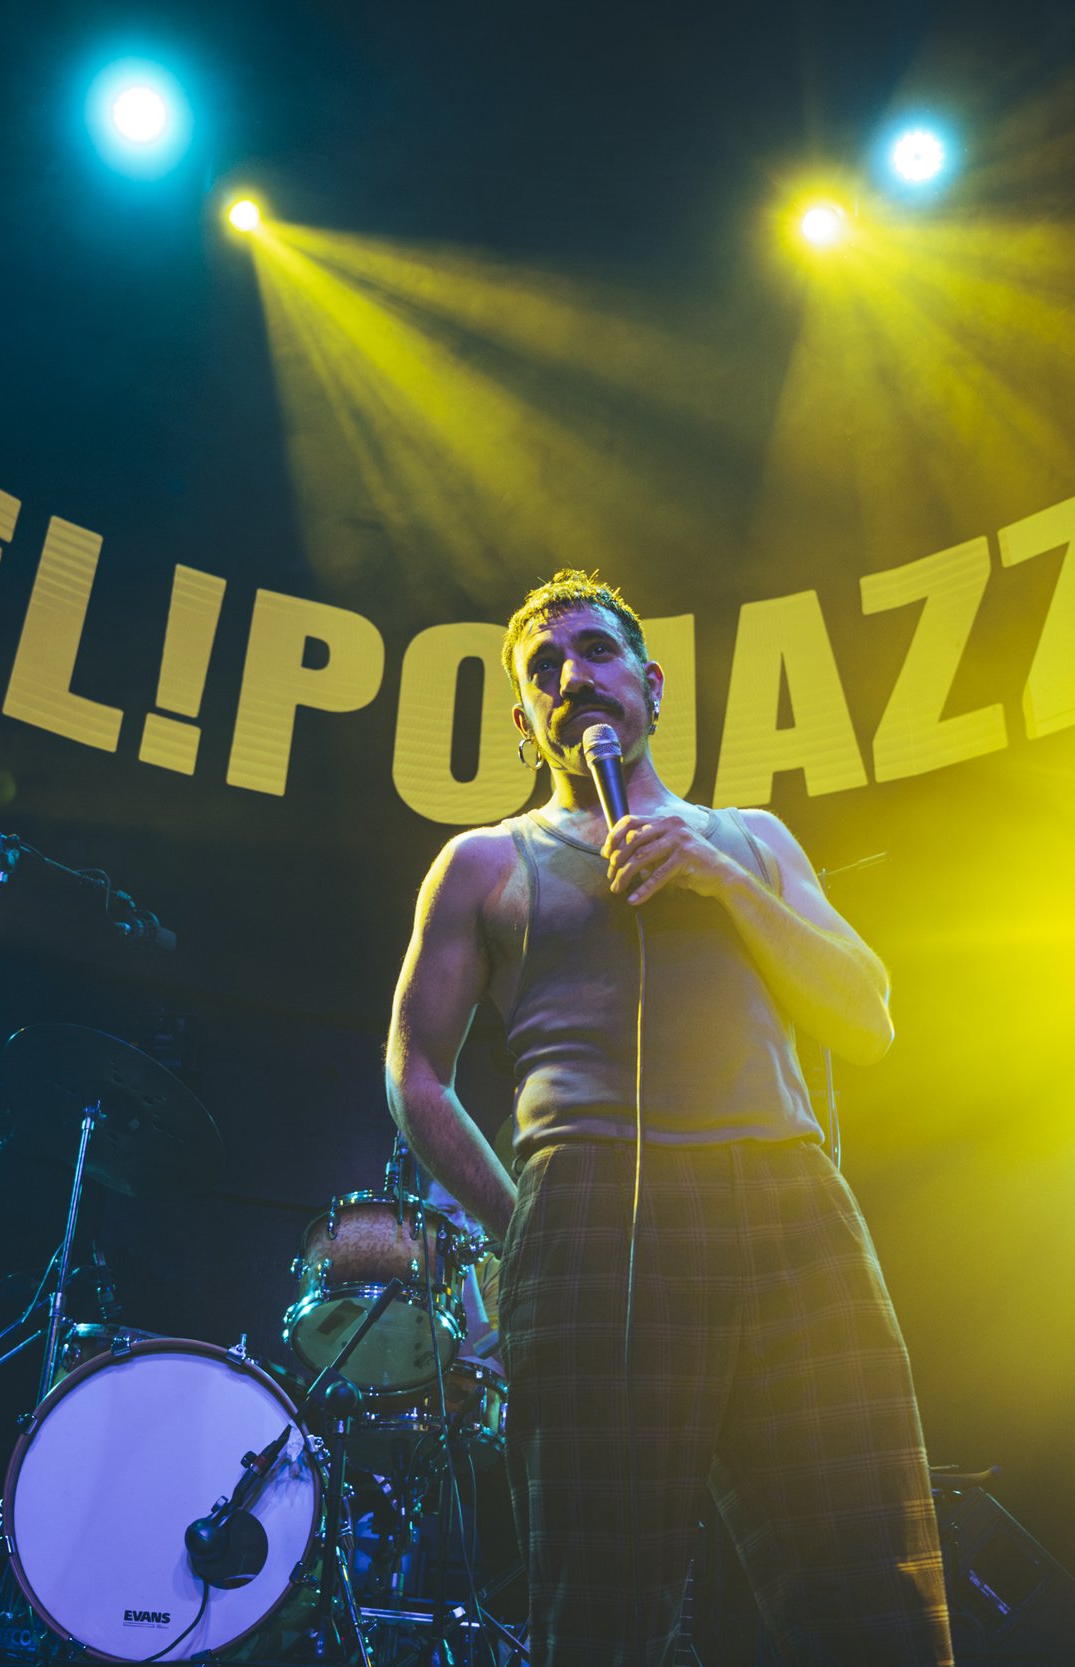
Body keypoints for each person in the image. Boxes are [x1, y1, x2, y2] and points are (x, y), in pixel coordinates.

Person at [385, 571, 953, 1665]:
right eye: (543, 671)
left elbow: (867, 1017)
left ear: (648, 684)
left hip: (788, 1205)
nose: (572, 678)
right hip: (587, 1204)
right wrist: (523, 1227)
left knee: (871, 1588)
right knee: (600, 1610)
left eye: (595, 653)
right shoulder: (483, 861)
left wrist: (725, 882)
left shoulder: (751, 835)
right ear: (521, 722)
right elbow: (414, 1070)